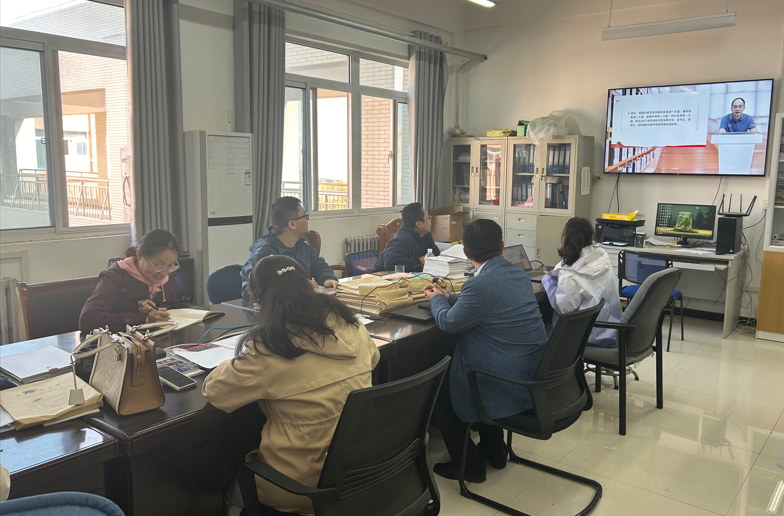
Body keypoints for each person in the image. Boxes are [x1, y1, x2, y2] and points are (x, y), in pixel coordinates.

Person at [204, 255, 379, 515]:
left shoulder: (269, 346)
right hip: (360, 469)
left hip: (298, 486)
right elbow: (374, 359)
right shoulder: (348, 322)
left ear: (259, 300)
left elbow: (216, 392)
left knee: (231, 495)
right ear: (307, 284)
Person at [423, 219, 547, 483]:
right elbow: (487, 303)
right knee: (482, 366)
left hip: (501, 381)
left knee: (438, 392)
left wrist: (436, 301)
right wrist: (449, 298)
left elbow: (448, 323)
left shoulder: (478, 285)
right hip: (529, 375)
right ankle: (494, 450)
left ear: (465, 252)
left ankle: (469, 465)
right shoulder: (518, 274)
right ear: (502, 246)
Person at [540, 217, 622, 348]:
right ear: (592, 237)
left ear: (565, 239)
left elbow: (564, 308)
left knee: (541, 325)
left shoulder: (570, 273)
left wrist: (547, 280)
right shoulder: (602, 257)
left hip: (582, 338)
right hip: (610, 330)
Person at [79, 229, 181, 333]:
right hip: (119, 341)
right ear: (139, 254)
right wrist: (144, 318)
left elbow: (172, 310)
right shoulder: (114, 278)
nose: (164, 273)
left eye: (170, 266)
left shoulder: (167, 280)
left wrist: (155, 309)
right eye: (158, 265)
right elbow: (88, 320)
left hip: (156, 340)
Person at [241, 197, 338, 299]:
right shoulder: (264, 252)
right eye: (305, 216)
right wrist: (296, 286)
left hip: (303, 303)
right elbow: (249, 291)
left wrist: (327, 278)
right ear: (292, 224)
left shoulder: (303, 243)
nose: (307, 219)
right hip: (278, 308)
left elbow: (319, 266)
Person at [371, 202, 440, 273]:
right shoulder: (402, 239)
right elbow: (391, 262)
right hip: (383, 276)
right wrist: (419, 261)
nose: (431, 221)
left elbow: (435, 253)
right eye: (428, 218)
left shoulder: (425, 234)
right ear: (419, 224)